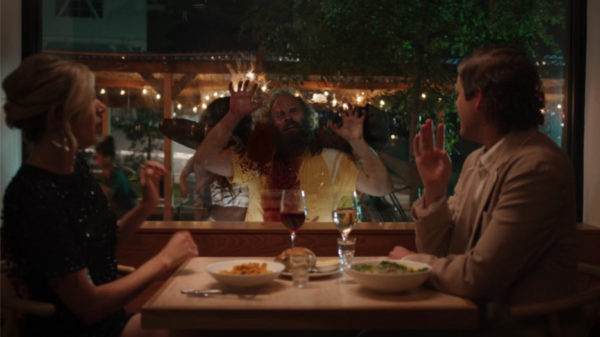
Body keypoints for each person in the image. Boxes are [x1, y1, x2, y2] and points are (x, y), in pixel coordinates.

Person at [1, 54, 198, 337]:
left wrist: (146, 204)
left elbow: (101, 247)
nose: (102, 107)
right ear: (58, 114)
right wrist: (164, 260)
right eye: (89, 98)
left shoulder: (76, 170)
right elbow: (88, 306)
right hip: (78, 330)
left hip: (109, 322)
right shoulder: (32, 195)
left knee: (206, 323)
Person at [389, 47, 577, 327]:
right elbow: (441, 253)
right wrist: (434, 191)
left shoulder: (537, 167)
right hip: (465, 317)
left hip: (512, 328)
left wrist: (414, 262)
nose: (455, 105)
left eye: (457, 94)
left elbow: (479, 279)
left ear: (477, 98)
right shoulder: (477, 161)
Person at [196, 82, 392, 222]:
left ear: (307, 117)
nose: (288, 117)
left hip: (316, 263)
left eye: (294, 111)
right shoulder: (257, 160)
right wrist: (234, 115)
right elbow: (206, 160)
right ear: (270, 124)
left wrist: (357, 141)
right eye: (280, 115)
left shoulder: (331, 160)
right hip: (263, 262)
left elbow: (380, 187)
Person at [179, 97, 250, 221]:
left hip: (227, 230)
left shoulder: (238, 156)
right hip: (215, 226)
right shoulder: (207, 155)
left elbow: (205, 160)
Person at [95, 135, 137, 218]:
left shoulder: (116, 175)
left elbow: (104, 198)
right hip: (120, 214)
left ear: (107, 158)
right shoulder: (107, 174)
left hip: (127, 215)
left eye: (97, 157)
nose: (96, 160)